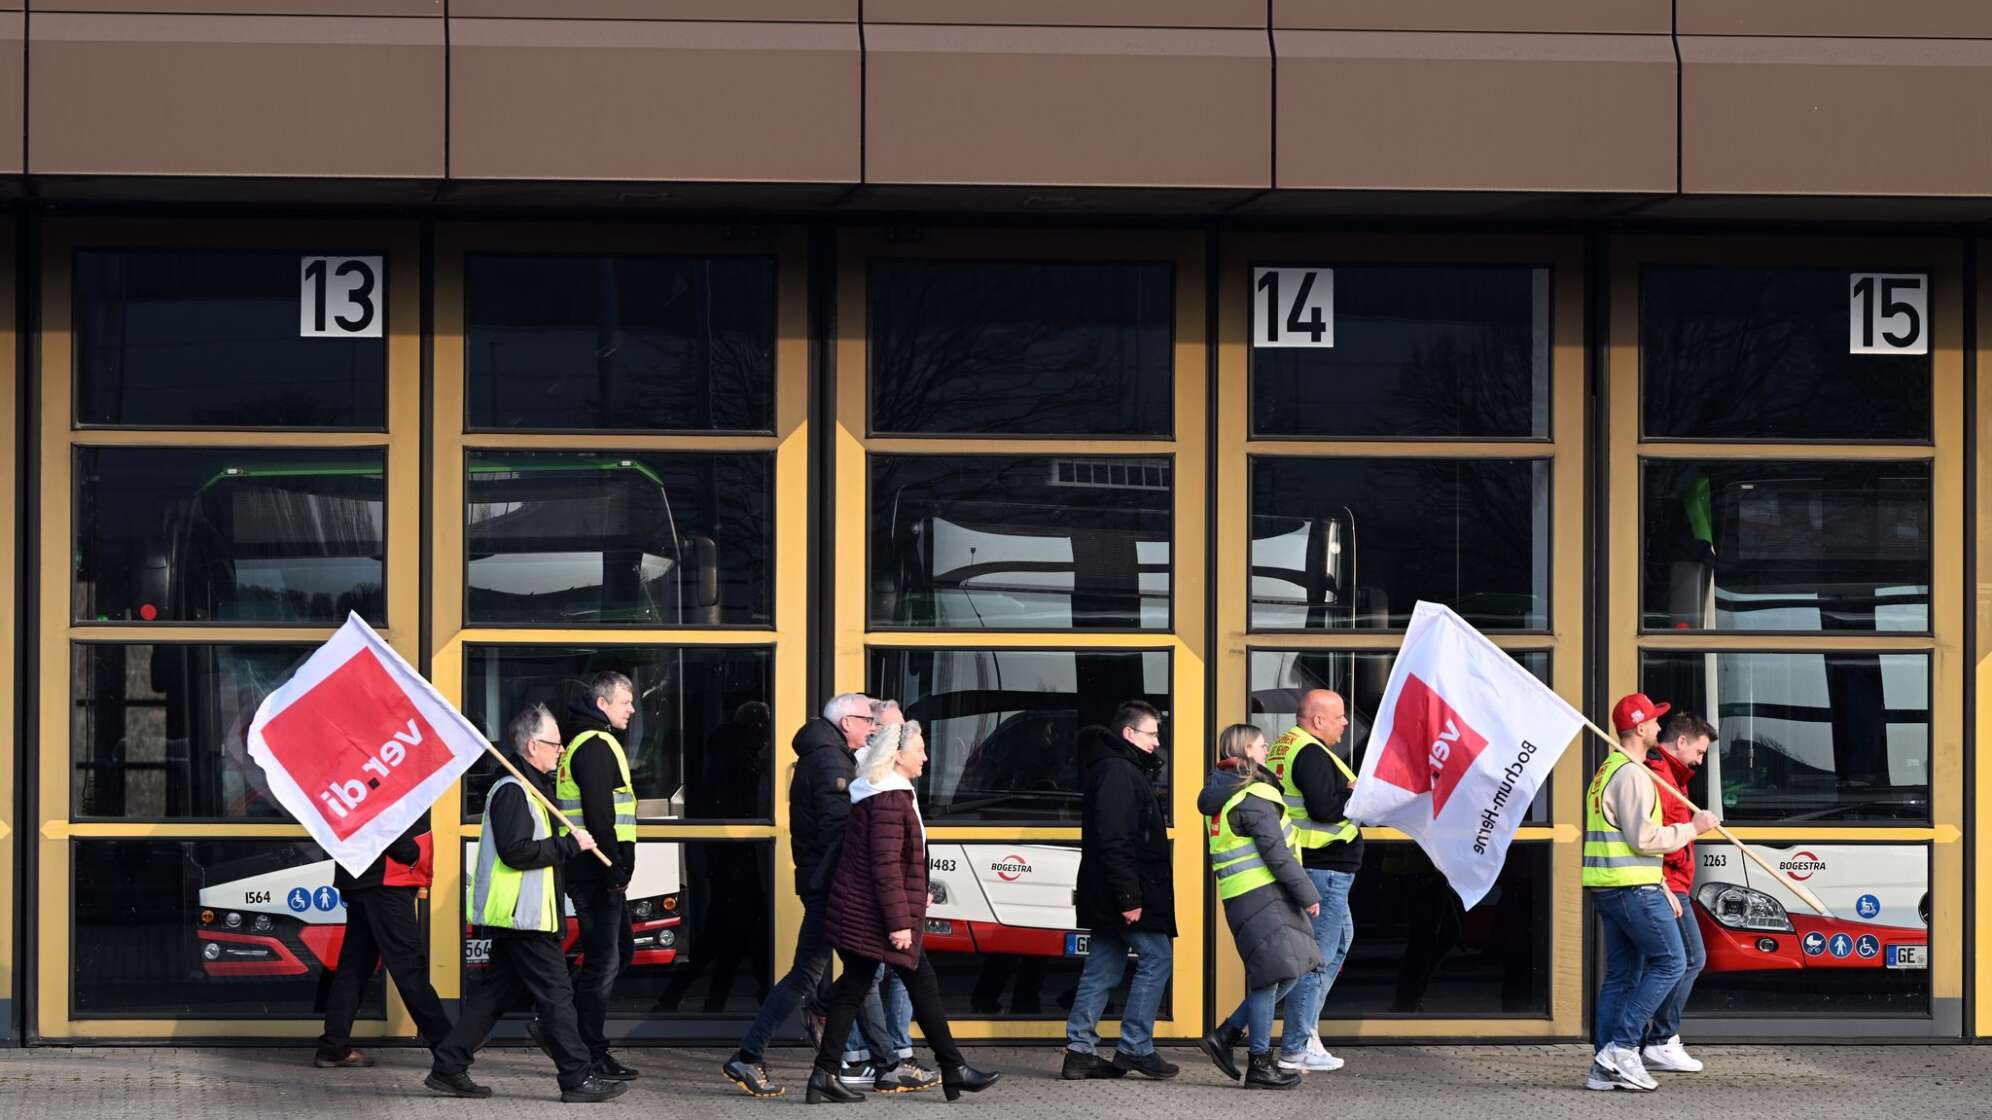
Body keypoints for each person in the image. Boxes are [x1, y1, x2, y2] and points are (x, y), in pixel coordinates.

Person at [427, 705, 624, 1103]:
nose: (561, 750)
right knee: (558, 997)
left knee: (494, 996)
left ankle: (448, 1066)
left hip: (524, 914)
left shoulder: (530, 786)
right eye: (554, 744)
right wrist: (570, 844)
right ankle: (576, 1077)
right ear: (532, 746)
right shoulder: (513, 790)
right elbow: (516, 852)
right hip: (523, 916)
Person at [804, 720, 999, 1104]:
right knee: (914, 984)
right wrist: (898, 924)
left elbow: (900, 863)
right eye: (920, 749)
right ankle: (952, 1068)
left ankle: (826, 1074)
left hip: (871, 911)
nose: (926, 756)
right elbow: (885, 866)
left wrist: (918, 894)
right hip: (877, 916)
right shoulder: (890, 799)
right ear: (897, 756)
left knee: (858, 989)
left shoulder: (886, 793)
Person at [721, 693, 899, 1098]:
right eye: (866, 720)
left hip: (826, 882)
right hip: (831, 885)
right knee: (812, 974)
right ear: (846, 721)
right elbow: (840, 832)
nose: (872, 727)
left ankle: (887, 1061)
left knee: (860, 972)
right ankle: (748, 1056)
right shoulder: (830, 761)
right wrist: (858, 885)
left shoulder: (826, 754)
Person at [1584, 692, 1717, 1093]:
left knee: (1622, 977)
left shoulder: (1610, 769)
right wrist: (1693, 828)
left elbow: (1624, 839)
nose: (1660, 728)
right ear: (1640, 728)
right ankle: (1623, 1049)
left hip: (1618, 886)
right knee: (1673, 962)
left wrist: (1662, 883)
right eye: (1655, 722)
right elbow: (1644, 838)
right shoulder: (1632, 774)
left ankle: (1603, 1069)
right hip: (1631, 889)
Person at [1197, 724, 1322, 1091]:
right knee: (1271, 977)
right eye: (1261, 744)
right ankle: (1259, 1063)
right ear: (1245, 750)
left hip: (1247, 895)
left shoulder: (1224, 792)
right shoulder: (1251, 794)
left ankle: (1228, 1033)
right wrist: (1308, 893)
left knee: (1287, 972)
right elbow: (1277, 853)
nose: (1267, 749)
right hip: (1264, 895)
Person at [1063, 700, 1177, 1080]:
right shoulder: (1118, 772)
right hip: (1125, 891)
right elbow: (1115, 840)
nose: (1156, 742)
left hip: (1109, 889)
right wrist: (1130, 897)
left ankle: (1079, 1052)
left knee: (1102, 967)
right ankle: (1135, 1047)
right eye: (1151, 734)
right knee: (1157, 957)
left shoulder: (1117, 769)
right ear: (1129, 734)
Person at [551, 671, 642, 1082]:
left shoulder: (586, 742)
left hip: (595, 871)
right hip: (595, 872)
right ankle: (587, 1048)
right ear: (603, 704)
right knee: (605, 961)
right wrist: (613, 869)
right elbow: (600, 814)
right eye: (625, 702)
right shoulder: (595, 745)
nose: (632, 709)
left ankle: (559, 1022)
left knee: (619, 953)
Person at [1265, 688, 1358, 1074]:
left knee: (1338, 943)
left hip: (1315, 866)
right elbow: (1323, 809)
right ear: (1318, 720)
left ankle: (1307, 1031)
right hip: (1325, 868)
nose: (1346, 722)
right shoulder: (1312, 752)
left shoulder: (1285, 746)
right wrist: (1357, 797)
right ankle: (1297, 1045)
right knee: (1316, 958)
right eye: (1339, 716)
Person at [315, 820, 454, 1069]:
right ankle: (449, 1049)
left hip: (367, 876)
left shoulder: (363, 781)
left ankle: (333, 1046)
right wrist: (409, 853)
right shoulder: (381, 780)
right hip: (386, 879)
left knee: (355, 966)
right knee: (409, 966)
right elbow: (378, 816)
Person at [1639, 711, 1718, 1075]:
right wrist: (1694, 828)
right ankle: (1659, 1040)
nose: (1700, 762)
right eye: (1699, 753)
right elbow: (1658, 838)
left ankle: (1649, 1039)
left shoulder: (1674, 776)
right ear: (1681, 741)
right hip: (1667, 883)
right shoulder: (1659, 776)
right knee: (1688, 959)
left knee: (1676, 961)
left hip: (1673, 882)